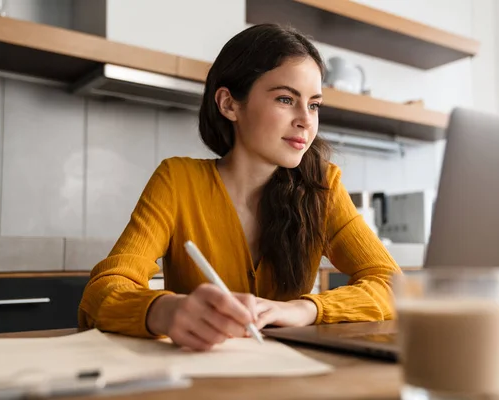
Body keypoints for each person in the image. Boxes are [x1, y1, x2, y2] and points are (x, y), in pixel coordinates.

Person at [78, 23, 401, 351]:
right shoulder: (177, 180)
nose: (306, 119)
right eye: (286, 99)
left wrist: (305, 309)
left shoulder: (322, 187)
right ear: (229, 104)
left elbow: (392, 286)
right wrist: (163, 311)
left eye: (314, 104)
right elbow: (102, 291)